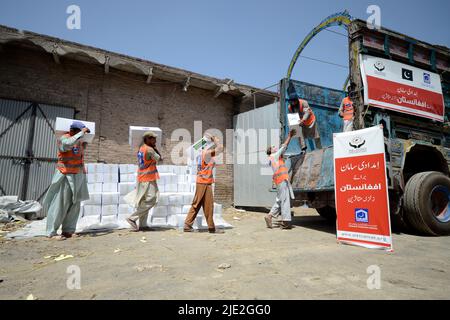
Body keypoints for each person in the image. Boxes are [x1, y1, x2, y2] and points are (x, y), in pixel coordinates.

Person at [43, 121, 90, 240]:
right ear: (73, 130)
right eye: (80, 132)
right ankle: (51, 232)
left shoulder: (78, 142)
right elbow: (66, 145)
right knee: (60, 204)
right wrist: (80, 134)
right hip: (65, 175)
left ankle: (68, 230)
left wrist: (83, 146)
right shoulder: (64, 138)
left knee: (74, 204)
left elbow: (77, 157)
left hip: (77, 175)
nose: (82, 135)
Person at [184, 134, 224, 233]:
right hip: (204, 183)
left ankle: (188, 225)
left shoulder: (201, 154)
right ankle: (211, 228)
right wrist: (216, 140)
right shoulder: (206, 153)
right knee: (206, 205)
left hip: (203, 182)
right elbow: (220, 148)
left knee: (200, 204)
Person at [126, 131, 162, 231]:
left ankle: (143, 225)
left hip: (142, 177)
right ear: (147, 139)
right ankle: (132, 218)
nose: (155, 141)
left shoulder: (141, 148)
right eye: (153, 139)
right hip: (148, 178)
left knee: (144, 200)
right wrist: (155, 148)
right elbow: (159, 159)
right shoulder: (150, 149)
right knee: (152, 199)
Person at [264, 129, 296, 230]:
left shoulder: (273, 158)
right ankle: (286, 222)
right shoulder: (274, 156)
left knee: (279, 200)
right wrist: (289, 136)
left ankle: (269, 216)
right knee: (285, 200)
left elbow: (282, 150)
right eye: (273, 147)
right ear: (271, 151)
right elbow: (283, 147)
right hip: (282, 180)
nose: (275, 147)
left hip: (279, 181)